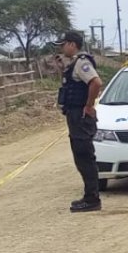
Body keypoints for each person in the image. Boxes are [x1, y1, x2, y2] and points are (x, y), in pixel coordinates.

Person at [53, 29, 105, 213]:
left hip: (81, 116)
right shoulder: (73, 63)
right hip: (75, 115)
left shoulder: (81, 63)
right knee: (81, 156)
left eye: (63, 44)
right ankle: (90, 196)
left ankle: (92, 198)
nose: (62, 48)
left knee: (84, 156)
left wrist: (89, 105)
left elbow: (96, 82)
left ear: (72, 44)